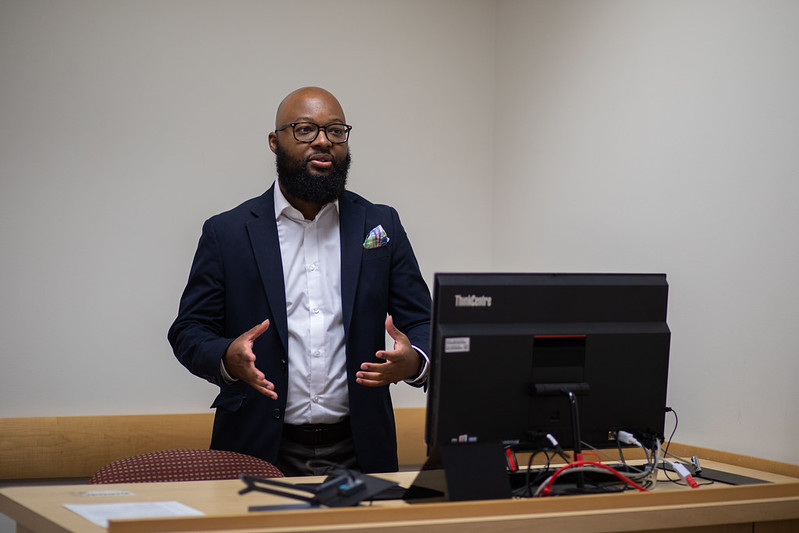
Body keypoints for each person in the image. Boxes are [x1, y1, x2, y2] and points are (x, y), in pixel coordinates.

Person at [167, 87, 431, 476]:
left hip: (360, 448)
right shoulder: (227, 232)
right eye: (305, 130)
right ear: (275, 142)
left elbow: (423, 322)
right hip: (257, 447)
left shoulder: (380, 224)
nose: (323, 141)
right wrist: (226, 357)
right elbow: (189, 330)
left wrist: (413, 361)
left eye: (336, 131)